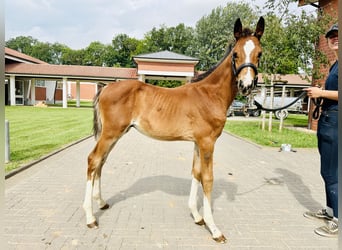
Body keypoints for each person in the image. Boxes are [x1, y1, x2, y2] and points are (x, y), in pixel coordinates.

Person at [303, 23, 338, 237]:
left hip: (335, 123)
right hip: (327, 120)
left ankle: (338, 221)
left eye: (338, 35)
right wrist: (321, 92)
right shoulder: (335, 64)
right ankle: (330, 210)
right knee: (327, 171)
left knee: (333, 173)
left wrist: (321, 93)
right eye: (331, 36)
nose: (334, 39)